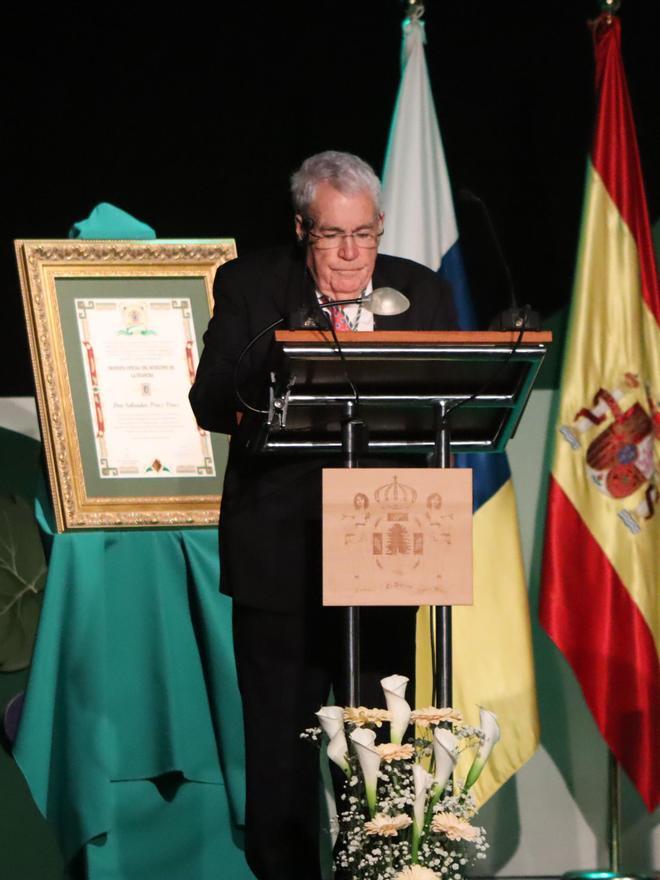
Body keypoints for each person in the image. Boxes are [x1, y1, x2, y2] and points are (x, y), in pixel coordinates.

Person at [189, 151, 456, 880]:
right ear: (302, 228)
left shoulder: (422, 293)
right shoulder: (251, 287)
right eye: (333, 236)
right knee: (280, 756)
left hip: (386, 548)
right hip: (280, 553)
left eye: (365, 235)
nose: (351, 254)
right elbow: (210, 399)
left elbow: (458, 399)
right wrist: (270, 367)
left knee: (382, 750)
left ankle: (378, 871)